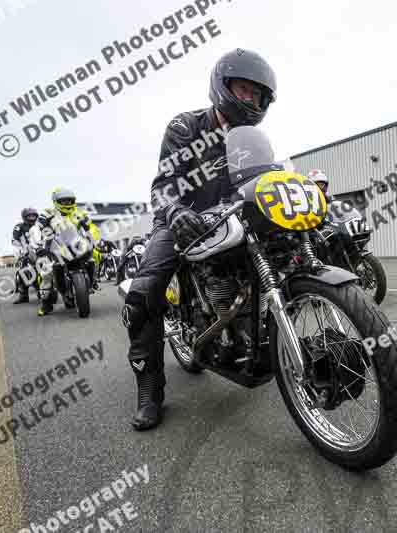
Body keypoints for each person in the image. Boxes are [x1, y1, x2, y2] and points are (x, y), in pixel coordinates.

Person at [121, 48, 277, 431]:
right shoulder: (185, 127)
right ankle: (149, 388)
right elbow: (161, 187)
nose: (250, 100)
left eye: (257, 95)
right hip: (182, 222)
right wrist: (175, 213)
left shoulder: (252, 139)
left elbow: (265, 176)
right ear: (222, 87)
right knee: (144, 293)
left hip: (231, 219)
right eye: (243, 90)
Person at [36, 188, 101, 316]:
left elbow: (91, 226)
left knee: (95, 255)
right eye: (63, 201)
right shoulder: (48, 214)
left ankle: (94, 280)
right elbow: (38, 230)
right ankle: (46, 303)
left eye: (69, 201)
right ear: (56, 202)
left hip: (77, 244)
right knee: (46, 270)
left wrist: (94, 238)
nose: (67, 203)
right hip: (56, 246)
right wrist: (39, 244)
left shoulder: (80, 212)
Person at [12, 208, 42, 304]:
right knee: (23, 270)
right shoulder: (19, 227)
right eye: (29, 216)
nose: (31, 218)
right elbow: (14, 240)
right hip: (27, 251)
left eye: (33, 215)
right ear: (24, 217)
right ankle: (23, 295)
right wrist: (22, 248)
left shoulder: (40, 226)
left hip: (41, 249)